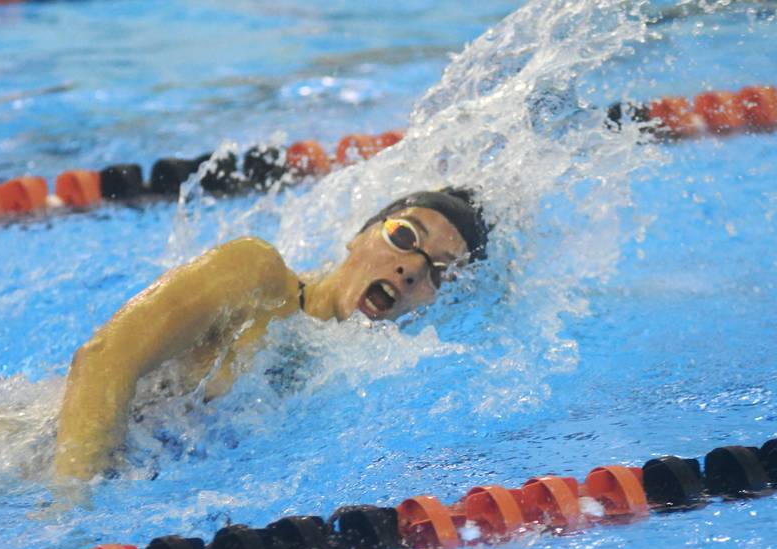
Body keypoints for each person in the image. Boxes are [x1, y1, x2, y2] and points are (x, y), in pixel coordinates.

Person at [54, 187, 490, 479]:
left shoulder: (365, 382)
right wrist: (72, 509)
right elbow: (103, 359)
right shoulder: (256, 276)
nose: (412, 268)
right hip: (32, 458)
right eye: (404, 234)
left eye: (441, 272)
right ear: (359, 236)